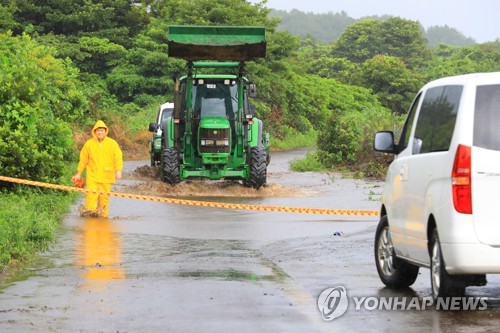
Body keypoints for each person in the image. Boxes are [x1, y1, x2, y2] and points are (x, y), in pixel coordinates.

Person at [72, 120, 123, 218]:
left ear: (105, 131)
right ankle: (90, 222)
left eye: (102, 130)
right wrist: (79, 173)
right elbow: (83, 160)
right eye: (98, 130)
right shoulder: (89, 144)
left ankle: (103, 223)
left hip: (106, 177)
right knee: (90, 198)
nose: (100, 132)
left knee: (104, 202)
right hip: (92, 177)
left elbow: (118, 157)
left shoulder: (112, 144)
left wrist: (118, 170)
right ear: (94, 132)